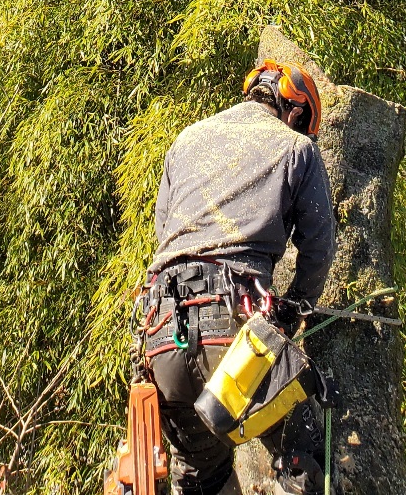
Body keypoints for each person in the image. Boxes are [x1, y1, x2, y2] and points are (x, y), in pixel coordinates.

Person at [142, 60, 336, 495]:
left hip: (162, 336)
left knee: (202, 480)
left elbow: (163, 240)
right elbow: (319, 250)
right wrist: (291, 311)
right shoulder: (296, 149)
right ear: (296, 111)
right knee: (304, 456)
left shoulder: (187, 139)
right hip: (231, 335)